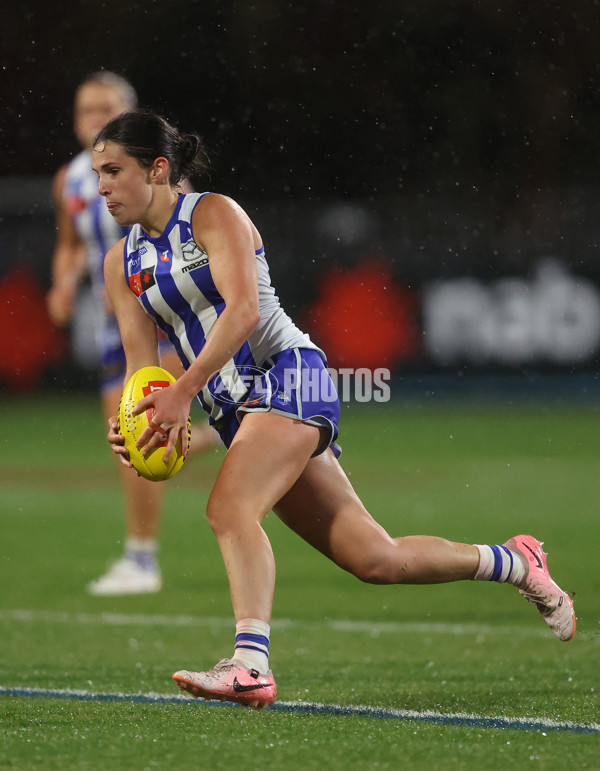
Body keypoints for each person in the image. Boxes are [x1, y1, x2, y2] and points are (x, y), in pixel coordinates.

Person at [94, 109, 576, 710]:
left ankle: (249, 665)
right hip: (233, 408)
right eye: (97, 174)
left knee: (229, 509)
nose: (103, 187)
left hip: (289, 374)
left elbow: (244, 311)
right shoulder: (122, 264)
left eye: (114, 170)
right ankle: (513, 561)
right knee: (376, 558)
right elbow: (145, 372)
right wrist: (138, 429)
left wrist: (183, 392)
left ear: (158, 168)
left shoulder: (214, 215)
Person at [47, 74, 218, 596]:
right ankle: (231, 434)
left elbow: (183, 239)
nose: (95, 118)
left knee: (144, 429)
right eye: (85, 110)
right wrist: (63, 281)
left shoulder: (157, 178)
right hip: (111, 326)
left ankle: (141, 558)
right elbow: (73, 242)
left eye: (107, 108)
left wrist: (143, 282)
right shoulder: (72, 182)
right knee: (133, 438)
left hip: (162, 318)